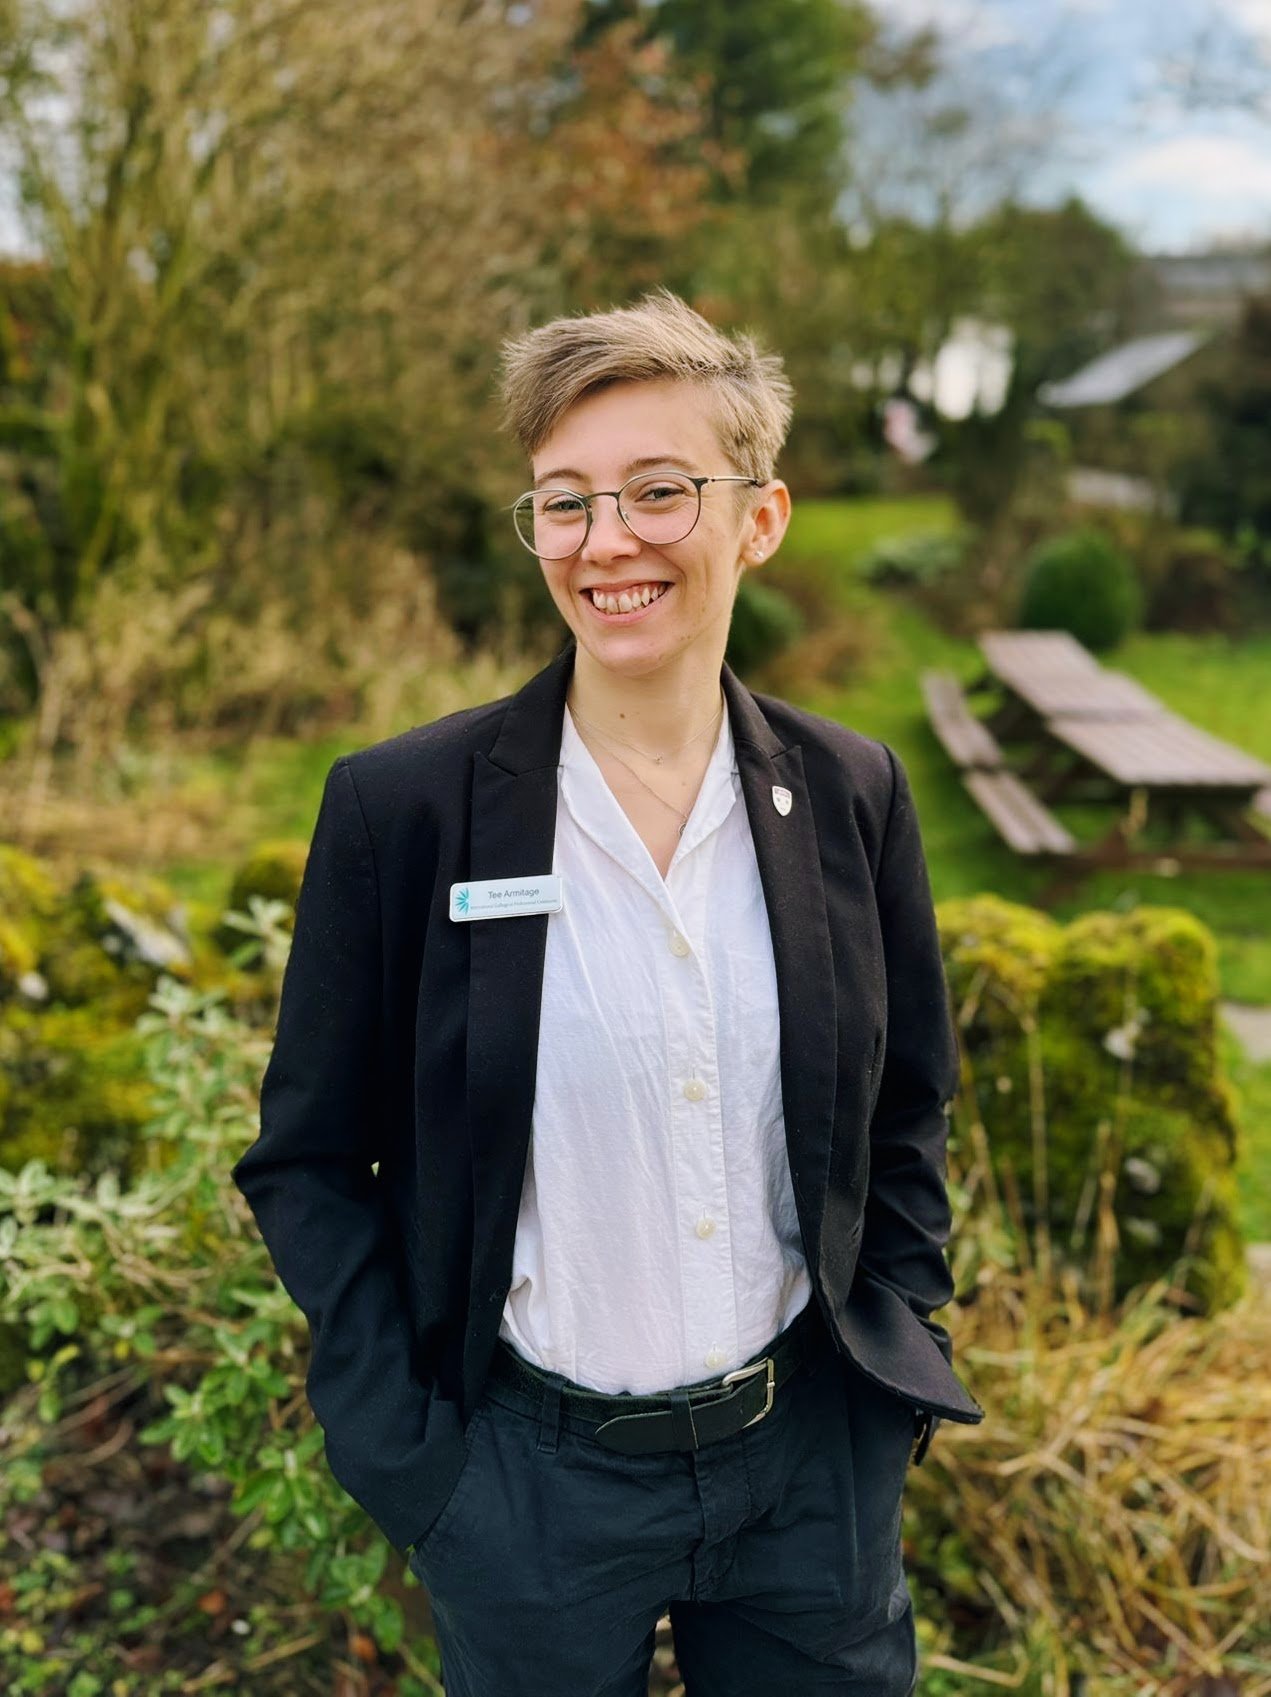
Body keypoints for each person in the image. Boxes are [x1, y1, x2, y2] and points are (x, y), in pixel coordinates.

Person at [231, 288, 983, 1695]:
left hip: (806, 1471)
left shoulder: (851, 792)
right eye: (564, 501)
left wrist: (895, 1363)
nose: (605, 540)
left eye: (657, 490)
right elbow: (308, 1161)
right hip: (525, 1488)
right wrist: (415, 1462)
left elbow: (908, 1104)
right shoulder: (406, 810)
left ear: (759, 518)